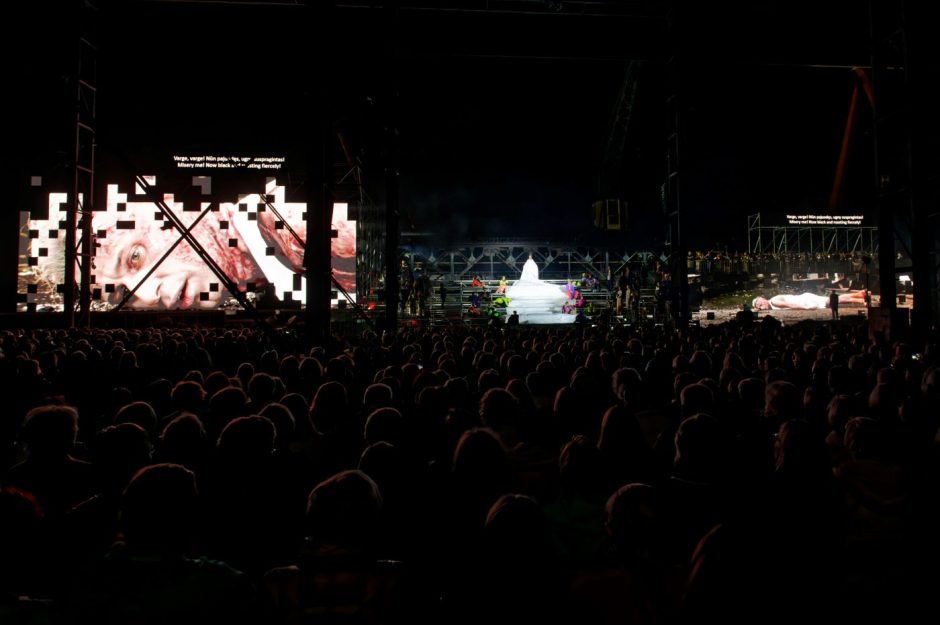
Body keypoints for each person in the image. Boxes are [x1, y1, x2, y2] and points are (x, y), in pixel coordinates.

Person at [26, 178, 357, 310]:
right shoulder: (268, 263)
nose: (144, 293)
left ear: (162, 200)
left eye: (135, 256)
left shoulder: (289, 221)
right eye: (120, 292)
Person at [752, 290, 867, 311]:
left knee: (831, 301)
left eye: (760, 304)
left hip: (805, 301)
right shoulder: (772, 302)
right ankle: (859, 295)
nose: (761, 307)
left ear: (763, 299)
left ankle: (860, 299)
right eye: (759, 307)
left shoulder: (774, 302)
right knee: (831, 300)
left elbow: (790, 305)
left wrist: (806, 307)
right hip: (805, 299)